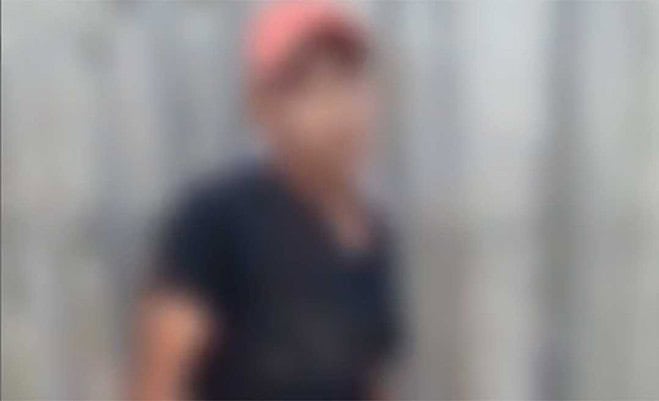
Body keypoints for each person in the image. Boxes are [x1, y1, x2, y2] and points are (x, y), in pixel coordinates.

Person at [131, 2, 399, 399]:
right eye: (309, 88)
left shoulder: (372, 235)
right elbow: (159, 385)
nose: (338, 108)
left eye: (348, 81)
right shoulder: (215, 221)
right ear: (263, 108)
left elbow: (370, 379)